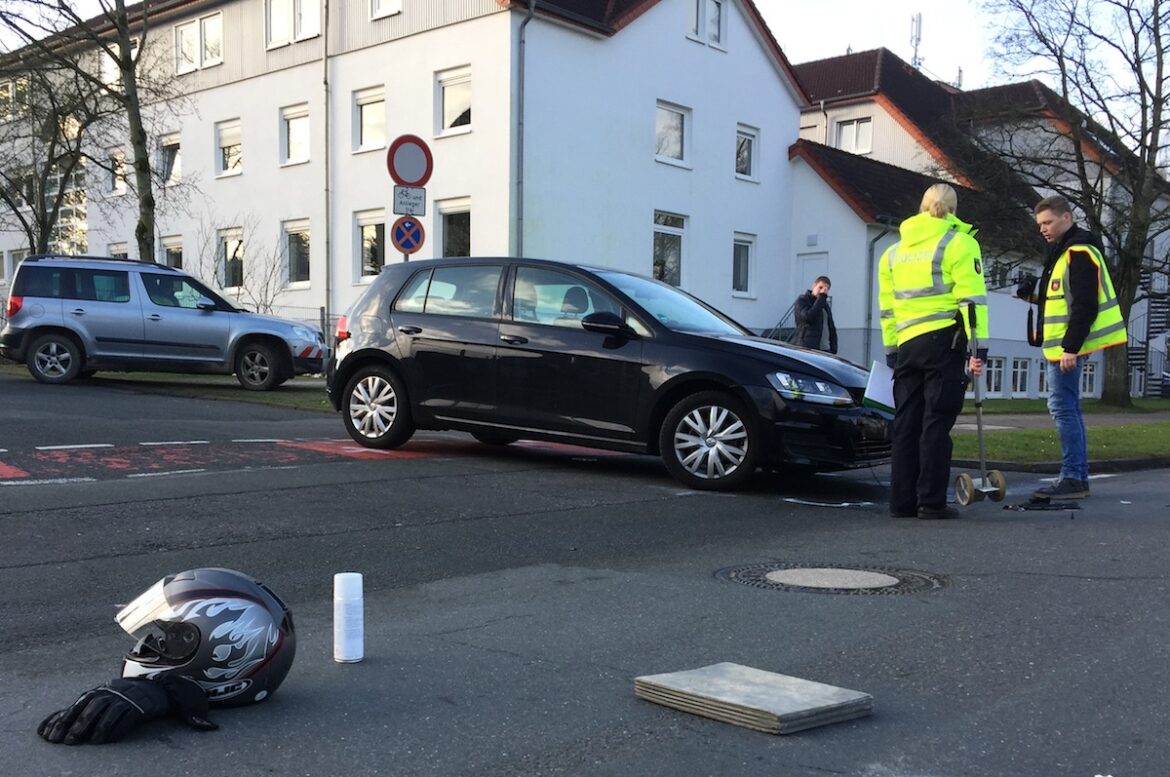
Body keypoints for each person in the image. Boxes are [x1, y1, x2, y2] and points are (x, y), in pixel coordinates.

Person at [878, 183, 988, 520]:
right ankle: (930, 501)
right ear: (953, 210)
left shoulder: (893, 253)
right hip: (943, 343)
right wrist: (978, 346)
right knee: (935, 423)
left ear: (922, 207)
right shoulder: (960, 243)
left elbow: (887, 308)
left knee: (906, 423)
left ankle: (901, 502)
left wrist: (892, 349)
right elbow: (971, 301)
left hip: (907, 344)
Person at [1016, 195, 1127, 499]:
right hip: (1061, 348)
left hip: (1065, 350)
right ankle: (1076, 475)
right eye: (1040, 224)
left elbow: (1086, 305)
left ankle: (1073, 477)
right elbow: (1062, 300)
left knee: (1063, 409)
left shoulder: (1078, 252)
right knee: (1067, 409)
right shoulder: (1063, 252)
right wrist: (1032, 298)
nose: (1043, 229)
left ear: (1067, 217)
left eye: (1048, 222)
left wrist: (1071, 348)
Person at [793, 275, 838, 353]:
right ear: (814, 286)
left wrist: (833, 349)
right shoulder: (802, 300)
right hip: (808, 348)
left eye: (825, 289)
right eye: (820, 287)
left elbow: (831, 327)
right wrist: (822, 297)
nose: (822, 291)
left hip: (825, 350)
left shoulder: (825, 305)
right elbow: (808, 317)